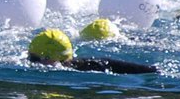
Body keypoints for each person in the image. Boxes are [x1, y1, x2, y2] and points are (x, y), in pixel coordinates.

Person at [26, 29, 158, 74]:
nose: (29, 62)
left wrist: (152, 70)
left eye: (34, 58)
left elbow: (120, 66)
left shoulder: (94, 66)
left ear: (52, 58)